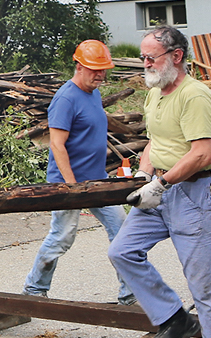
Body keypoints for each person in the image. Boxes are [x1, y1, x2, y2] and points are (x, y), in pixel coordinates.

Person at [107, 25, 211, 338]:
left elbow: (202, 153)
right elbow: (156, 141)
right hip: (162, 192)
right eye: (142, 57)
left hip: (195, 194)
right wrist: (143, 173)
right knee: (122, 251)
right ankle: (174, 319)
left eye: (150, 57)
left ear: (176, 56)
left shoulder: (194, 95)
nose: (145, 64)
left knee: (207, 285)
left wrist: (161, 183)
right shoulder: (155, 95)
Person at [22, 40, 134, 305]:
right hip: (68, 184)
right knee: (62, 236)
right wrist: (71, 187)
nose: (100, 75)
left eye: (103, 69)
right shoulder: (65, 98)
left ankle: (129, 295)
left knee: (123, 232)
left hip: (98, 181)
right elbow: (57, 144)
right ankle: (34, 289)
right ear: (79, 66)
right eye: (95, 69)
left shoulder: (93, 93)